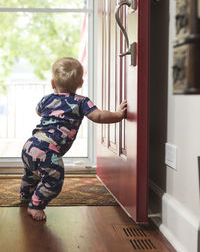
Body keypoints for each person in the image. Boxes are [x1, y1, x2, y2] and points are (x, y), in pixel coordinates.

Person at [20, 57, 127, 220]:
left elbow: (39, 111)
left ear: (52, 84)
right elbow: (98, 116)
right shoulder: (81, 102)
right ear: (81, 83)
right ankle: (35, 205)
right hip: (48, 150)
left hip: (31, 144)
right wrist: (118, 114)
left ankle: (25, 195)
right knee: (54, 180)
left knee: (31, 173)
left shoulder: (46, 99)